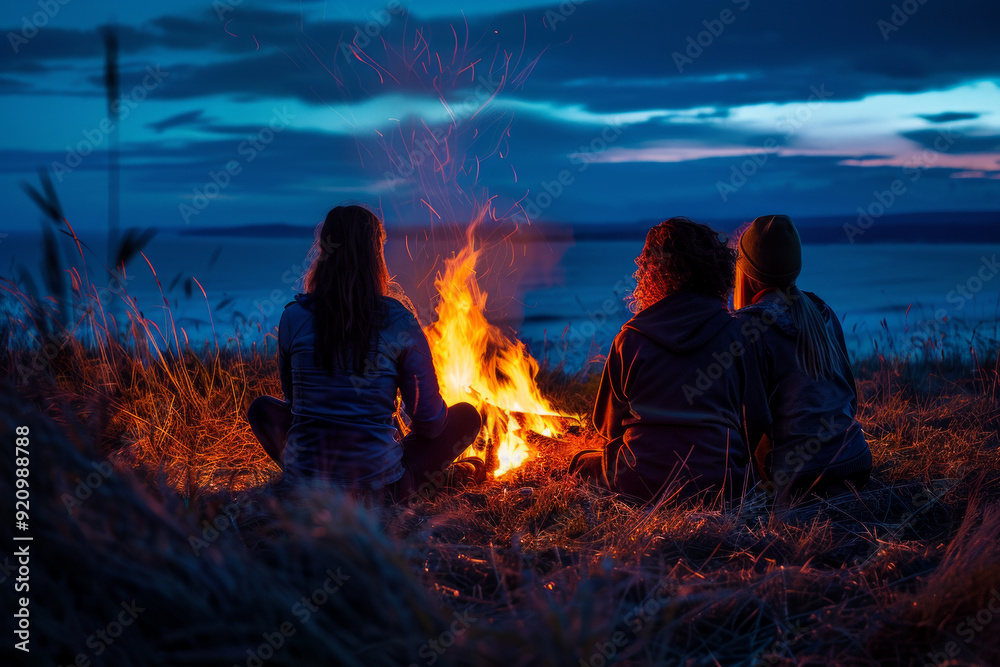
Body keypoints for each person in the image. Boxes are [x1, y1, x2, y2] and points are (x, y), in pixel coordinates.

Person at [246, 205, 484, 501]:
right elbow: (431, 423)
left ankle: (319, 480)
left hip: (306, 483)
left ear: (324, 252)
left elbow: (295, 402)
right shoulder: (399, 322)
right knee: (467, 417)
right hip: (381, 489)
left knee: (261, 409)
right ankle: (431, 482)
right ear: (376, 255)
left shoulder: (293, 317)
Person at [569, 217, 765, 503]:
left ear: (651, 272)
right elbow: (756, 421)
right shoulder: (739, 334)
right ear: (717, 269)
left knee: (581, 462)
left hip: (637, 483)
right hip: (721, 487)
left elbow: (608, 429)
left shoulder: (631, 338)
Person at [732, 214, 872, 502]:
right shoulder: (822, 311)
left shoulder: (748, 328)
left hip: (799, 475)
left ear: (746, 271)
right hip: (855, 458)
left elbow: (751, 422)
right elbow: (850, 396)